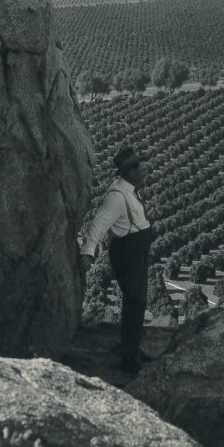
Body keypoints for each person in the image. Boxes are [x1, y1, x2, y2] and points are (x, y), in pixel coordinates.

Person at [79, 148, 154, 373]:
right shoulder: (117, 196)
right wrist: (88, 253)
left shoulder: (129, 189)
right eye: (139, 167)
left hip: (136, 248)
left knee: (138, 302)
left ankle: (132, 349)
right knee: (134, 302)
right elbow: (98, 225)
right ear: (129, 171)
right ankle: (129, 361)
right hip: (127, 251)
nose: (144, 169)